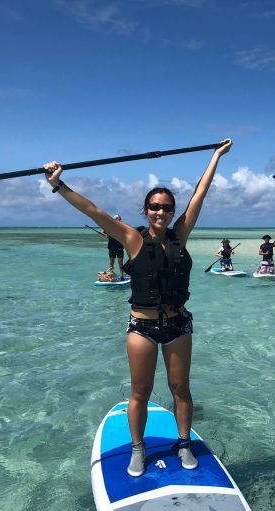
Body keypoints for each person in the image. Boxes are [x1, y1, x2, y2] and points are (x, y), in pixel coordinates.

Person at [43, 139, 232, 477]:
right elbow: (93, 211)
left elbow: (200, 194)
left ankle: (184, 444)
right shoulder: (133, 239)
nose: (161, 212)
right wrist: (59, 185)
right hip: (142, 327)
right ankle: (137, 448)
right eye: (155, 207)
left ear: (173, 212)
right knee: (140, 392)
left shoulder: (179, 236)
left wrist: (215, 157)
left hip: (178, 325)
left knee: (180, 389)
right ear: (146, 211)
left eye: (167, 208)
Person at [103, 215, 126, 279]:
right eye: (118, 219)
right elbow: (104, 233)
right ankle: (110, 276)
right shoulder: (109, 227)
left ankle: (122, 276)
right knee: (111, 262)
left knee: (120, 262)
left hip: (120, 247)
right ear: (115, 219)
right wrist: (106, 235)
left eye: (120, 219)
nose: (120, 220)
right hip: (111, 247)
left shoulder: (122, 226)